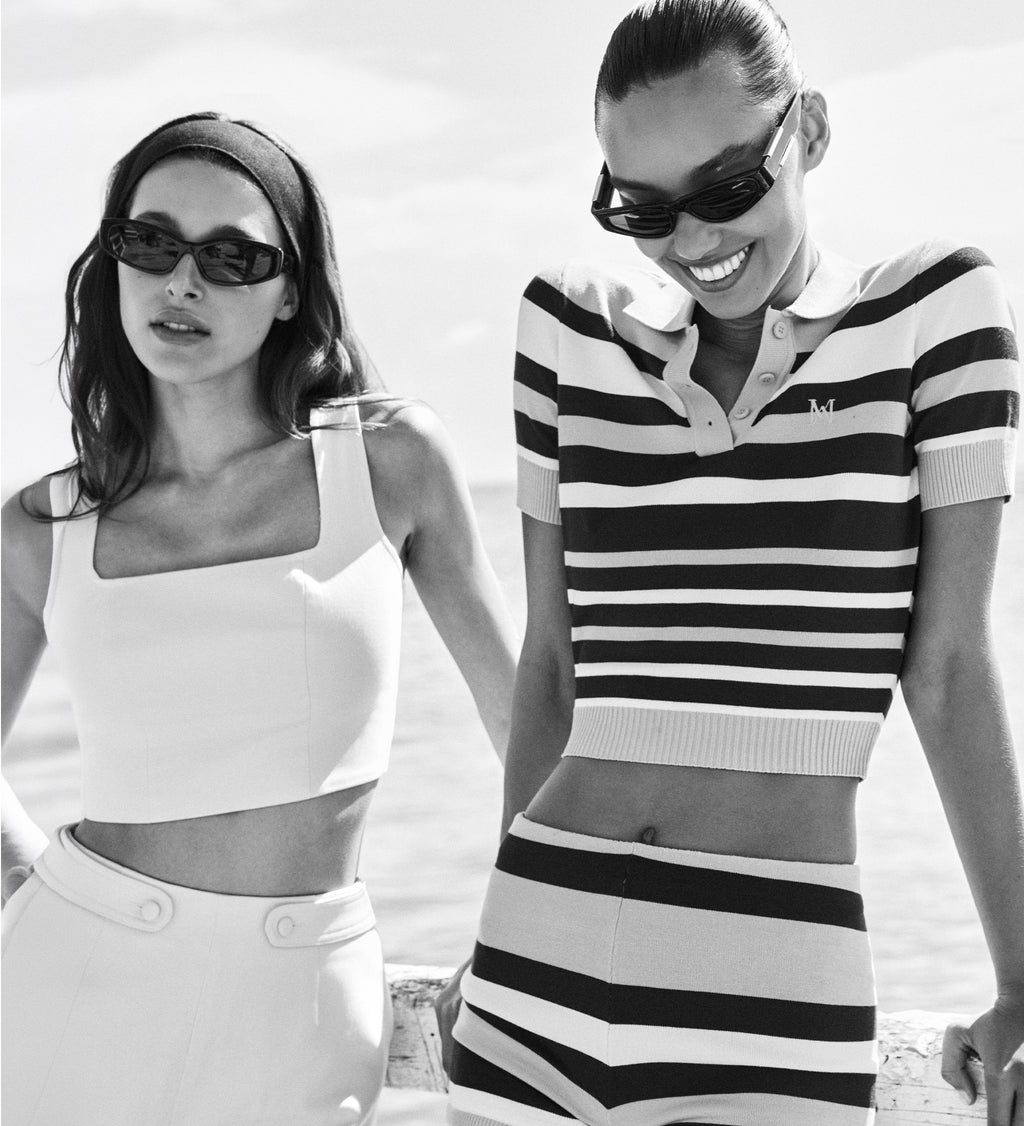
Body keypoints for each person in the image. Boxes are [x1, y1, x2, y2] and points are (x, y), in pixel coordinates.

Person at [436, 2, 1024, 1123]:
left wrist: (1021, 976)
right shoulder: (564, 332)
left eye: (724, 188)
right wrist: (496, 920)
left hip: (775, 973)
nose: (689, 238)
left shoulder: (932, 315)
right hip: (538, 954)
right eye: (640, 206)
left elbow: (946, 669)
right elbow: (553, 666)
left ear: (808, 131)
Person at [1, 111, 518, 1125]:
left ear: (291, 290)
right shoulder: (44, 524)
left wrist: (514, 940)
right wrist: (28, 885)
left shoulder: (385, 462)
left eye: (231, 255)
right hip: (73, 977)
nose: (181, 282)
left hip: (305, 996)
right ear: (112, 263)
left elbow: (529, 721)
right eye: (149, 244)